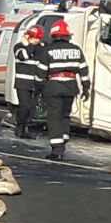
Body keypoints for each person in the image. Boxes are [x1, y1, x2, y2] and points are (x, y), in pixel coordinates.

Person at [40, 19, 88, 160]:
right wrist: (86, 88)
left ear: (53, 35)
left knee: (54, 118)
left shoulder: (48, 50)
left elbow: (40, 72)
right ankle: (63, 140)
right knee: (65, 115)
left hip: (53, 87)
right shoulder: (76, 50)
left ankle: (57, 150)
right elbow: (84, 71)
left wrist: (38, 88)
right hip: (70, 87)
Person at [12, 25, 46, 138]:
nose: (36, 40)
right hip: (22, 83)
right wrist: (30, 45)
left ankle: (25, 127)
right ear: (27, 37)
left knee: (31, 107)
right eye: (34, 38)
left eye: (38, 38)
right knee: (24, 106)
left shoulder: (40, 49)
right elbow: (23, 56)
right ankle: (20, 127)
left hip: (35, 83)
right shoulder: (18, 47)